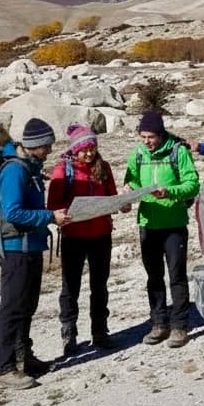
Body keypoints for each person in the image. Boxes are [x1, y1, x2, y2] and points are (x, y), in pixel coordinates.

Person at [0, 118, 71, 390]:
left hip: (30, 247)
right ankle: (4, 367)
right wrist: (50, 216)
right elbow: (12, 212)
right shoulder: (15, 171)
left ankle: (24, 357)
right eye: (47, 145)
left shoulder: (30, 167)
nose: (50, 149)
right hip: (16, 249)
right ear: (35, 145)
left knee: (27, 306)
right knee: (12, 308)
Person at [46, 124, 127, 356]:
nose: (89, 153)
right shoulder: (63, 171)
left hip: (101, 235)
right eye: (84, 150)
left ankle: (100, 331)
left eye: (92, 148)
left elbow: (112, 197)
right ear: (74, 150)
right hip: (74, 237)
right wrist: (66, 212)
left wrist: (121, 203)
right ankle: (69, 333)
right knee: (70, 288)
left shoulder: (104, 168)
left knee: (99, 286)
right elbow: (53, 205)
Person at [124, 111, 199, 348]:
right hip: (148, 223)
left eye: (151, 137)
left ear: (161, 134)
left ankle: (179, 326)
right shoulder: (137, 154)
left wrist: (170, 192)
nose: (146, 141)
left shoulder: (179, 152)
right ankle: (158, 324)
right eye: (143, 136)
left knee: (176, 276)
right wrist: (130, 189)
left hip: (174, 223)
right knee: (153, 276)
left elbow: (193, 184)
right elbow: (132, 180)